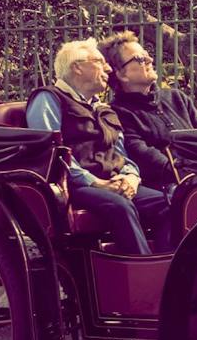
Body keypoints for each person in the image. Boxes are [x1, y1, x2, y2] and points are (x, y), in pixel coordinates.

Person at [26, 38, 171, 254]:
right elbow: (51, 151)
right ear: (77, 67)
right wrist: (96, 183)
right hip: (74, 186)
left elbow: (121, 154)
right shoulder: (48, 99)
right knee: (120, 206)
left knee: (168, 205)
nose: (109, 68)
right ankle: (143, 276)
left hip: (112, 182)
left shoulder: (102, 108)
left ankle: (168, 275)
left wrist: (131, 177)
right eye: (100, 62)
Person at [99, 30, 197, 192]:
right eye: (140, 59)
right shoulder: (118, 114)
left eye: (146, 55)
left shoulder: (177, 98)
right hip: (170, 188)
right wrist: (192, 174)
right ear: (121, 74)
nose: (149, 60)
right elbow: (149, 158)